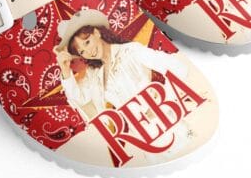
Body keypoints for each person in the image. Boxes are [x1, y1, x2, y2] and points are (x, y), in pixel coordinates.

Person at [53, 9, 190, 161]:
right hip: (145, 143)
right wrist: (65, 70)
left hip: (170, 128)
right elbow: (79, 99)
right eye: (82, 51)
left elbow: (177, 68)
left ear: (97, 33)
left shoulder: (129, 51)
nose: (89, 52)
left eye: (87, 42)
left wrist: (165, 104)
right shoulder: (94, 74)